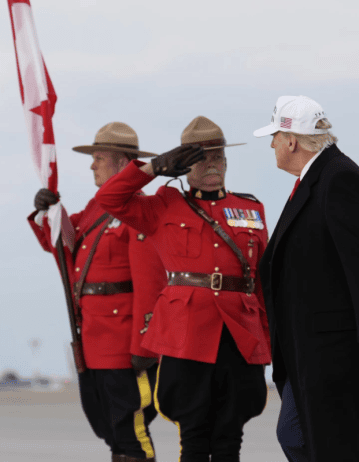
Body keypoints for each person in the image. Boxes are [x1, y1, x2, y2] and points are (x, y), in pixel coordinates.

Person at [95, 116, 270, 462]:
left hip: (239, 334)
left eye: (218, 157)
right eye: (201, 159)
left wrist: (268, 338)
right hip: (187, 335)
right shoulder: (163, 205)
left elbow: (262, 282)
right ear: (185, 165)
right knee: (193, 437)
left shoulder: (250, 209)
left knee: (230, 437)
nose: (212, 165)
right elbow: (109, 198)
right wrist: (154, 168)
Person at [252, 95, 359, 461]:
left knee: (324, 443)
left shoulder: (338, 178)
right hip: (312, 352)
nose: (271, 145)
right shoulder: (318, 178)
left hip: (337, 354)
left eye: (274, 137)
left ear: (291, 141)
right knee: (298, 438)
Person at [29, 122, 165, 462]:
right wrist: (48, 211)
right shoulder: (96, 208)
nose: (92, 165)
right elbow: (62, 243)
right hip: (93, 338)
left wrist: (144, 345)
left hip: (123, 343)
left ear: (123, 163)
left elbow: (150, 283)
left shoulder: (138, 209)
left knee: (131, 431)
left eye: (99, 158)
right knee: (109, 429)